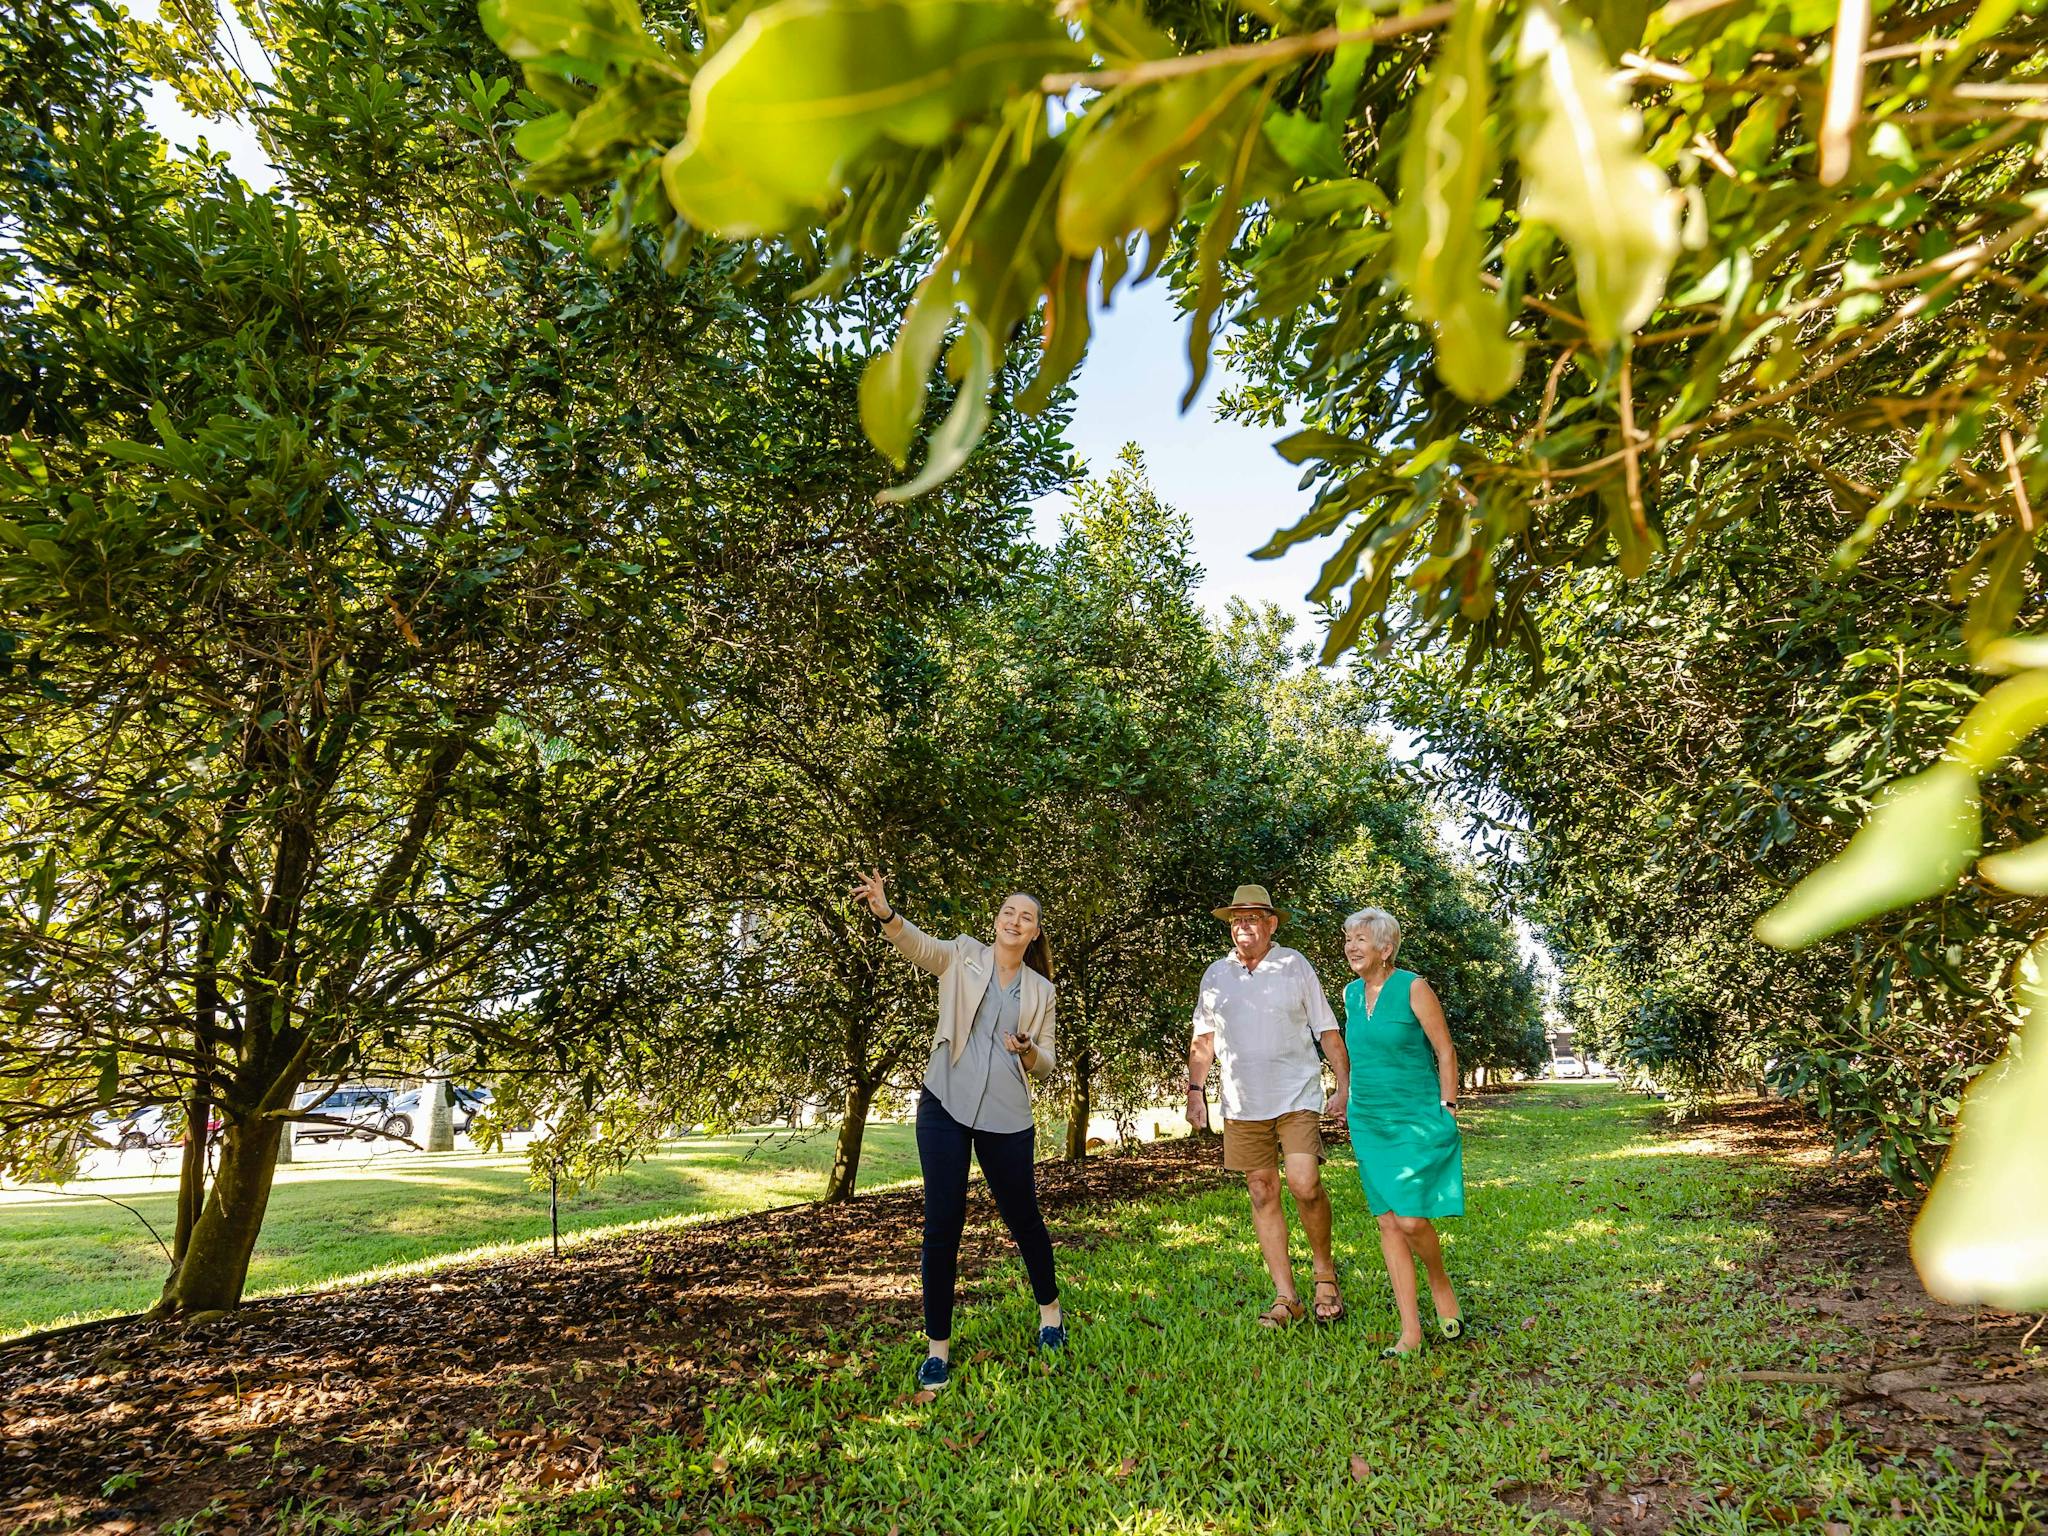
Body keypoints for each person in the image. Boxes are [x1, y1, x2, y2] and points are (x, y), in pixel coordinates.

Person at [851, 870, 1063, 1393]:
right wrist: (885, 911)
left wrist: (1028, 1049)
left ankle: (1051, 1313)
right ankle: (937, 1352)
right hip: (944, 1104)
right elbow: (921, 947)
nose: (1016, 921)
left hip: (1007, 1118)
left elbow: (1049, 1064)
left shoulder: (1042, 991)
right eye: (1009, 912)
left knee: (1024, 1220)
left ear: (1035, 933)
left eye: (1027, 917)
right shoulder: (964, 954)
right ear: (997, 921)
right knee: (942, 1226)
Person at [1185, 883, 1351, 1327]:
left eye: (1253, 918)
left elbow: (1326, 1028)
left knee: (1303, 1182)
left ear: (1271, 924)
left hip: (1296, 1093)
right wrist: (1195, 1091)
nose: (1244, 927)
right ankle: (1286, 1296)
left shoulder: (1294, 964)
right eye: (1237, 919)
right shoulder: (1216, 975)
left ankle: (1324, 1275)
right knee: (1261, 1189)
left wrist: (1343, 1083)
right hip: (1241, 1101)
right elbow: (1204, 1039)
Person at [1340, 906, 1466, 1357]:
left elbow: (1445, 1050)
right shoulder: (1351, 995)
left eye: (1360, 939)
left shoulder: (1413, 987)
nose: (1352, 946)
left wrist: (1448, 1107)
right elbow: (1359, 1057)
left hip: (1413, 1117)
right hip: (1368, 1120)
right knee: (1389, 1222)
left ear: (1386, 948)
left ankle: (1439, 1279)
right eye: (1349, 938)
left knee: (1412, 1218)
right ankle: (1409, 1331)